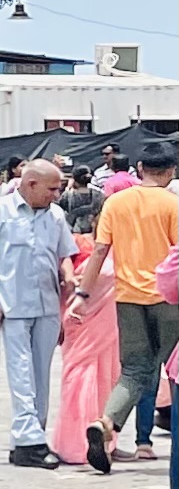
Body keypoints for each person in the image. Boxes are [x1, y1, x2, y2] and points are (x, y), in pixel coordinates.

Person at [0, 157, 77, 470]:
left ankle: (31, 439)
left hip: (47, 304)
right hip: (12, 306)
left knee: (41, 374)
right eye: (52, 189)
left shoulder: (55, 215)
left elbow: (64, 254)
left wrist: (69, 275)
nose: (56, 195)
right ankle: (29, 439)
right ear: (31, 184)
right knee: (20, 373)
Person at [87, 136, 179, 457]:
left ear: (140, 168)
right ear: (171, 171)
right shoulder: (173, 205)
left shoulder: (115, 203)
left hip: (127, 298)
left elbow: (99, 250)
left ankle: (106, 421)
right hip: (169, 300)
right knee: (174, 372)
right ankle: (155, 442)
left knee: (134, 371)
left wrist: (83, 292)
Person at [52, 194, 126, 474]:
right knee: (84, 377)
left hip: (106, 324)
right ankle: (78, 443)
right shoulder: (81, 246)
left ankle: (102, 439)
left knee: (105, 376)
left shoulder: (121, 249)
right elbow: (63, 280)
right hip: (83, 320)